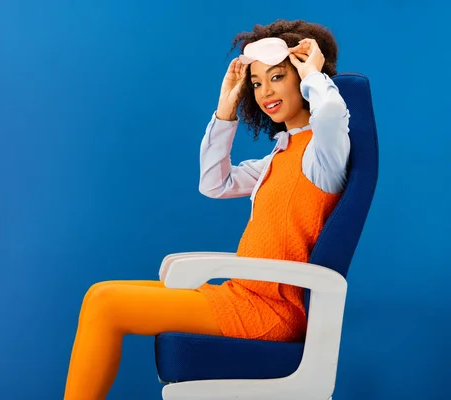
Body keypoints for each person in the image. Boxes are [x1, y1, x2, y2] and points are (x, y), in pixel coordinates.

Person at [63, 19, 350, 400]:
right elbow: (215, 183)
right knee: (99, 294)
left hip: (270, 312)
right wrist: (226, 109)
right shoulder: (277, 157)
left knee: (105, 304)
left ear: (301, 77)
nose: (265, 92)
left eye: (278, 77)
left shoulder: (322, 156)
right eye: (257, 83)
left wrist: (313, 71)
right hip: (241, 296)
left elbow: (331, 115)